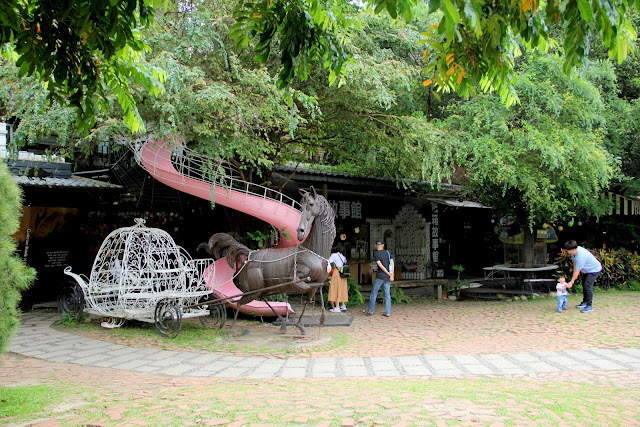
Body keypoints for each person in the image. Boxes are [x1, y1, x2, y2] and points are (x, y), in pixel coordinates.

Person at [564, 240, 602, 313]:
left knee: (587, 286)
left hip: (594, 269)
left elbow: (578, 271)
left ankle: (589, 306)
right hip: (587, 270)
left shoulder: (581, 256)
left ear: (573, 249)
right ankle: (585, 302)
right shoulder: (574, 253)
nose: (566, 251)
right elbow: (575, 263)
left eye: (567, 250)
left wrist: (572, 281)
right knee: (584, 285)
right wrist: (574, 274)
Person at [364, 238, 394, 317]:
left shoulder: (376, 254)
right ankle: (387, 312)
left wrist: (388, 273)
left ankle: (370, 311)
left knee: (374, 293)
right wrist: (391, 274)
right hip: (387, 278)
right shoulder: (388, 253)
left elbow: (380, 265)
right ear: (383, 245)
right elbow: (392, 263)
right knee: (387, 295)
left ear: (375, 245)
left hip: (380, 277)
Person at [328, 242, 349, 313]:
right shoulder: (344, 256)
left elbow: (329, 261)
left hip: (337, 272)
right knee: (342, 288)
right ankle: (343, 305)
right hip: (343, 273)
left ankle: (337, 306)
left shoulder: (334, 255)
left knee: (336, 287)